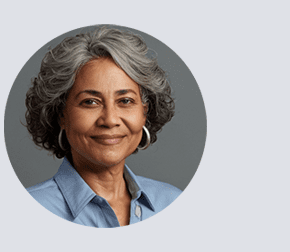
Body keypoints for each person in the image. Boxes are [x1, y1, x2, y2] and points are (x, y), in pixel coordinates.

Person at [24, 27, 182, 228]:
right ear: (61, 114)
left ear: (144, 113)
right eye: (90, 102)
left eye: (125, 100)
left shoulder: (172, 202)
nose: (110, 119)